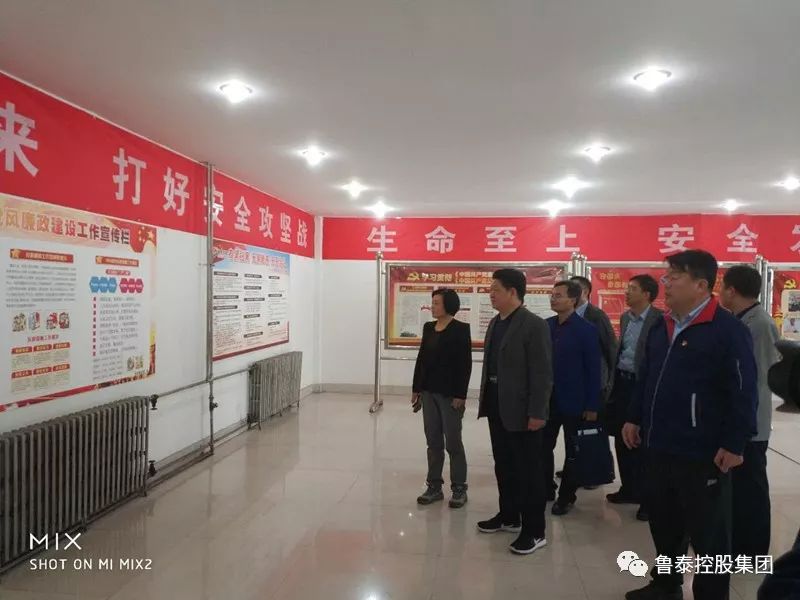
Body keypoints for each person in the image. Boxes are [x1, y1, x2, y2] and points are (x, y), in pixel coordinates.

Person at [622, 250, 758, 600]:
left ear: (701, 284)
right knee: (664, 523)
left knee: (709, 537)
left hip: (703, 452)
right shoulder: (662, 325)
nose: (666, 283)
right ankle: (666, 585)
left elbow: (744, 391)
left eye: (674, 277)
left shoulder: (728, 330)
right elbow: (646, 377)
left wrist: (735, 443)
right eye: (666, 276)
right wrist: (634, 417)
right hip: (659, 445)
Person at [476, 268, 553, 555]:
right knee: (504, 465)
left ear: (513, 292)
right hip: (498, 406)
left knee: (529, 472)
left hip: (524, 411)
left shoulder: (534, 325)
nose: (491, 294)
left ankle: (535, 531)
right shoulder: (496, 322)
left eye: (495, 289)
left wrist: (538, 412)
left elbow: (542, 373)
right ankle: (509, 516)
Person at [720, 265, 780, 557]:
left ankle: (752, 551)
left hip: (751, 424)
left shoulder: (759, 324)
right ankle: (737, 544)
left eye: (722, 288)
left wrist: (742, 423)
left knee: (751, 490)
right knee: (739, 490)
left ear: (731, 291)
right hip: (739, 421)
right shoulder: (741, 320)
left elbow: (756, 380)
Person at [605, 274, 663, 522]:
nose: (627, 292)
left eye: (633, 289)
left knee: (643, 443)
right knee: (622, 437)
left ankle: (648, 499)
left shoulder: (660, 320)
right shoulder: (626, 317)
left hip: (644, 384)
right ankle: (629, 488)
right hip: (622, 383)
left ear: (647, 294)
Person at [543, 280, 601, 516]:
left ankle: (566, 496)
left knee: (573, 450)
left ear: (573, 300)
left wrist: (592, 405)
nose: (553, 298)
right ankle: (546, 487)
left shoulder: (586, 329)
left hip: (575, 401)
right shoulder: (546, 326)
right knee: (542, 446)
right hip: (547, 400)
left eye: (559, 295)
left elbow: (594, 370)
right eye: (552, 294)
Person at [412, 288, 473, 508]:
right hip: (428, 392)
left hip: (450, 395)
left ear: (448, 305)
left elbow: (464, 364)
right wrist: (416, 388)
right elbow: (421, 359)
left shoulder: (460, 329)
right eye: (432, 302)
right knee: (433, 441)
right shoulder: (429, 328)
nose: (432, 306)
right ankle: (434, 486)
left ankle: (459, 488)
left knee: (453, 442)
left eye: (436, 303)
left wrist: (460, 394)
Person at [570, 275, 618, 404]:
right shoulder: (568, 314)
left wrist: (610, 382)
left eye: (574, 289)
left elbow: (610, 347)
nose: (570, 293)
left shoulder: (597, 316)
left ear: (585, 292)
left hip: (594, 381)